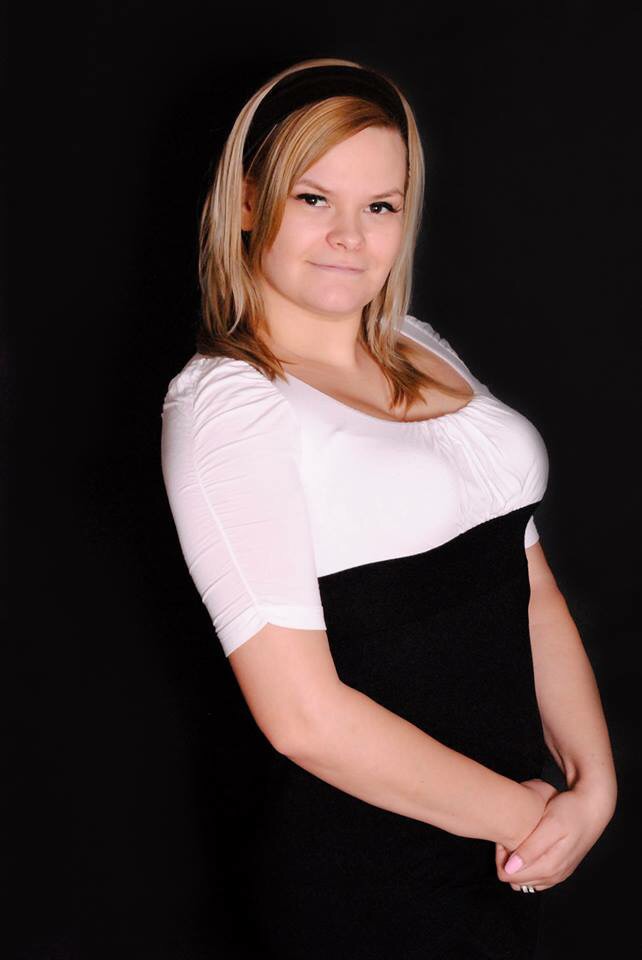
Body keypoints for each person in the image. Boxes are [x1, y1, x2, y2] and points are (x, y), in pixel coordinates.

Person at [160, 57, 617, 959]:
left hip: (501, 855)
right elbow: (303, 717)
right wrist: (526, 817)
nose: (349, 236)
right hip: (367, 877)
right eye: (314, 199)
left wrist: (592, 783)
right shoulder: (230, 405)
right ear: (248, 203)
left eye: (380, 206)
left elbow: (526, 585)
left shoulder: (417, 344)